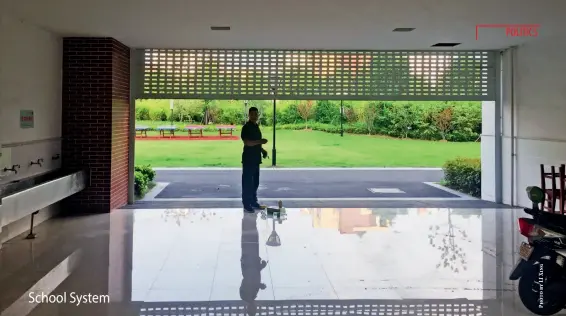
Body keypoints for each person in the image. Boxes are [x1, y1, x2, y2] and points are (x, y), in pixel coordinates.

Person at [240, 107, 268, 213]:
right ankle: (247, 204)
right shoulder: (246, 128)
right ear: (249, 115)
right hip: (248, 159)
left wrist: (262, 150)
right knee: (247, 182)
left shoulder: (256, 126)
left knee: (255, 183)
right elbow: (248, 142)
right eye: (252, 114)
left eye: (256, 114)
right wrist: (260, 141)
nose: (254, 116)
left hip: (256, 159)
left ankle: (253, 201)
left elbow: (256, 143)